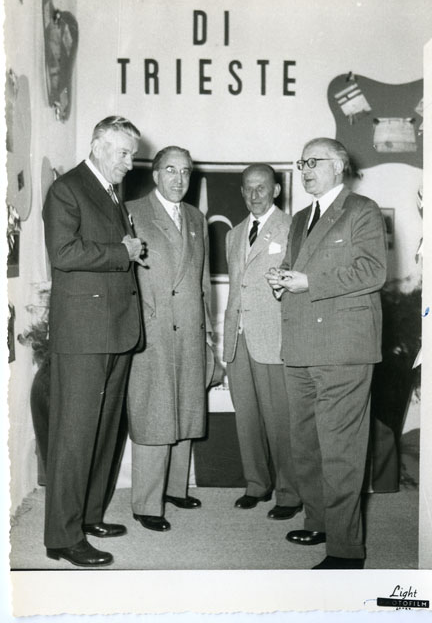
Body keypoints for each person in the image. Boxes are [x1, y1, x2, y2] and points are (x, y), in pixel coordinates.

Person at [266, 138, 387, 569]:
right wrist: (282, 279)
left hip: (343, 348)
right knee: (307, 446)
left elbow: (373, 270)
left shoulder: (362, 210)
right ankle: (318, 521)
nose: (305, 170)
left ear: (338, 165)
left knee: (340, 450)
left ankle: (345, 550)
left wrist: (309, 282)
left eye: (313, 162)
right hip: (300, 345)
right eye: (301, 163)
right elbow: (299, 270)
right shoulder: (301, 217)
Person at [42, 116, 145, 567]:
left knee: (103, 432)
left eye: (132, 155)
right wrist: (124, 252)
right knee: (75, 435)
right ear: (98, 145)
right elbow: (63, 253)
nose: (130, 163)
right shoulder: (67, 189)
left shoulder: (109, 191)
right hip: (84, 332)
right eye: (123, 153)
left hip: (115, 328)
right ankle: (62, 538)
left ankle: (88, 516)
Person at [127, 145, 212, 532]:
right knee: (154, 411)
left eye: (186, 171)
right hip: (153, 328)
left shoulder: (196, 217)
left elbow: (202, 279)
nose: (179, 179)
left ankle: (176, 488)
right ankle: (146, 503)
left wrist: (207, 332)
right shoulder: (132, 211)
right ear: (156, 174)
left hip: (190, 328)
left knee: (185, 408)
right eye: (171, 170)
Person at [223, 164, 302, 519]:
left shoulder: (293, 227)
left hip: (273, 339)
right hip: (238, 338)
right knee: (247, 419)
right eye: (249, 188)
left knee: (280, 421)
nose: (255, 194)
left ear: (276, 190)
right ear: (242, 192)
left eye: (262, 187)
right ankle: (256, 484)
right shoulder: (233, 234)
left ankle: (290, 492)